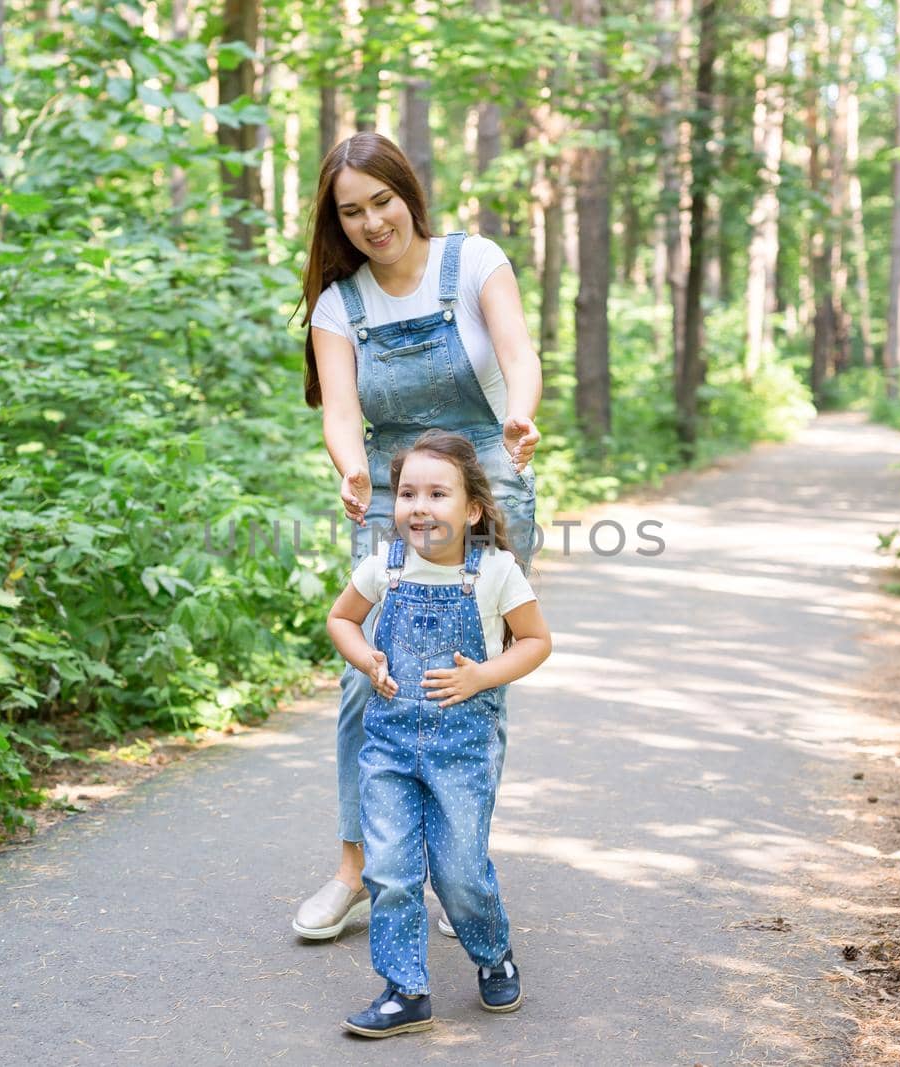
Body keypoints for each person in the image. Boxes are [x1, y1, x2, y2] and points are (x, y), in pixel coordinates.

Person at [294, 131, 542, 941]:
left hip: (482, 485)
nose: (371, 222)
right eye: (351, 211)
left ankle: (454, 864)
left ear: (410, 192)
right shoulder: (342, 304)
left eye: (382, 201)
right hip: (390, 495)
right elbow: (339, 410)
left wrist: (520, 413)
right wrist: (347, 468)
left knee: (471, 675)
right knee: (372, 677)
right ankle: (355, 870)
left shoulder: (473, 262)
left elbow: (517, 352)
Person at [326, 431, 551, 1037]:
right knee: (391, 871)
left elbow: (535, 642)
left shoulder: (496, 572)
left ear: (472, 509)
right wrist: (367, 659)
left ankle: (492, 953)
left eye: (436, 493)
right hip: (389, 748)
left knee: (460, 873)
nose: (418, 506)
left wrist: (483, 676)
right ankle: (406, 990)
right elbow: (341, 619)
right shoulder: (384, 565)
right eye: (406, 494)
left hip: (461, 752)